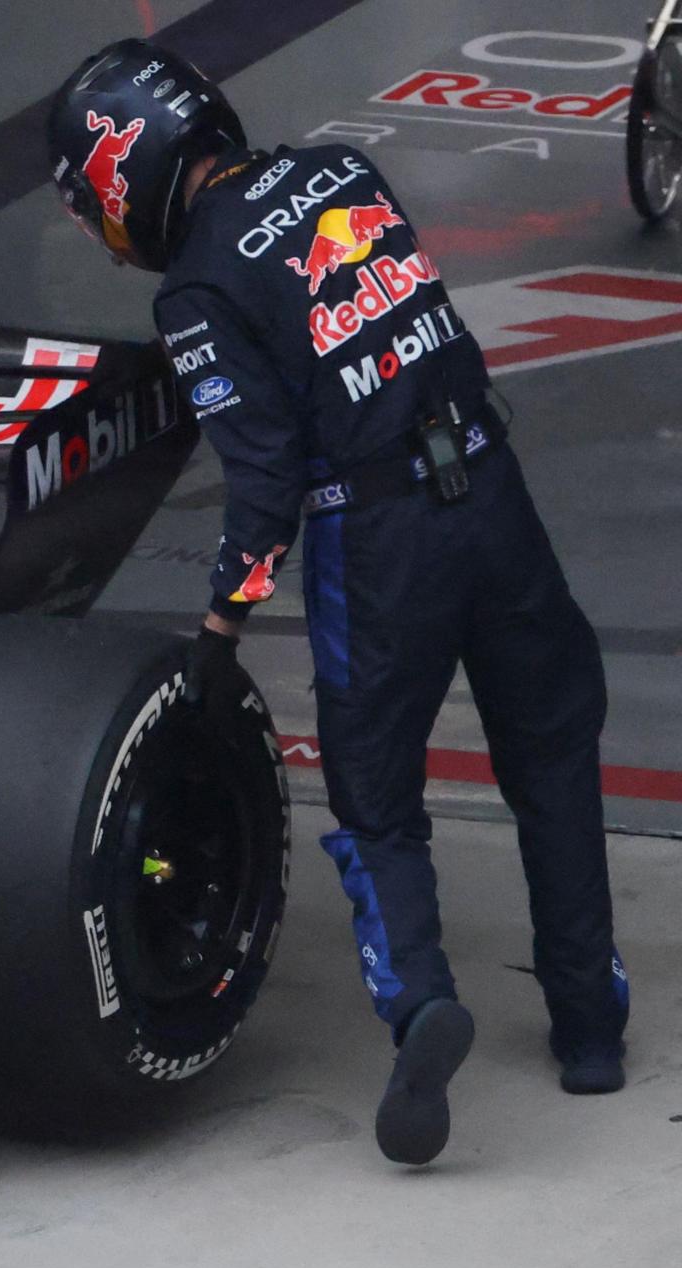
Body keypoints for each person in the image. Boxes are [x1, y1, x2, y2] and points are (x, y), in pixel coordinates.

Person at [48, 41, 625, 1165]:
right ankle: (591, 1030)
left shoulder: (196, 290)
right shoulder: (346, 170)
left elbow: (263, 489)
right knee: (553, 755)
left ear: (124, 182)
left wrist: (223, 623)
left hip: (378, 540)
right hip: (492, 493)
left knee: (374, 803)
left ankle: (419, 1001)